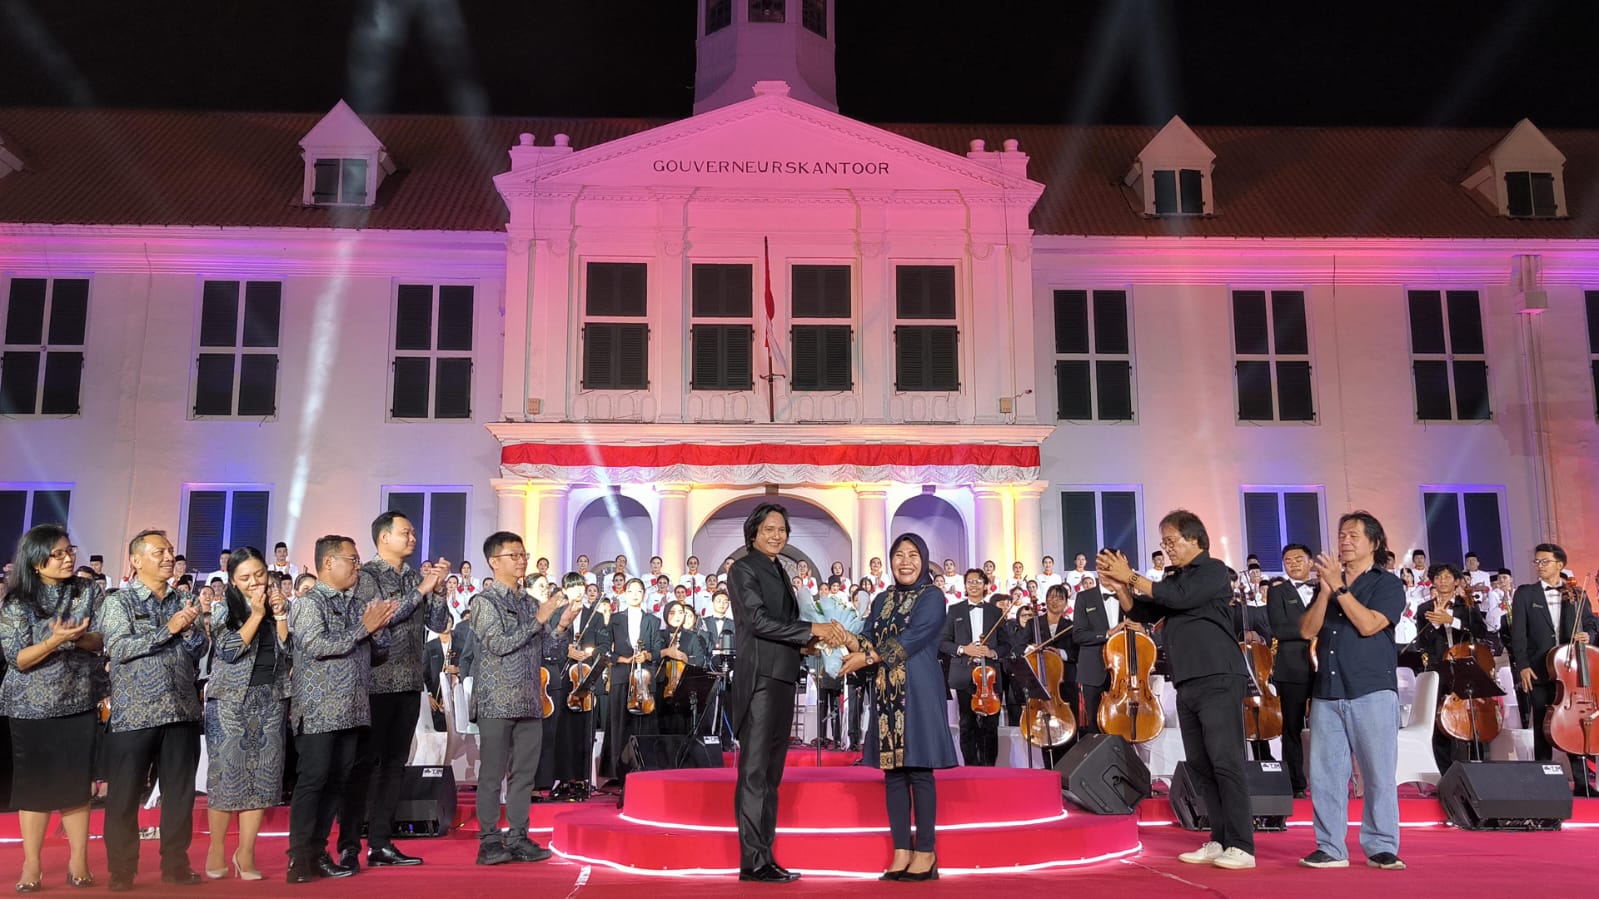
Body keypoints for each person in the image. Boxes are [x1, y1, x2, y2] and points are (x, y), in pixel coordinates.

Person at [1097, 512, 1255, 871]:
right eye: (1163, 543)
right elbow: (1145, 611)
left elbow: (1179, 597)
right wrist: (1121, 587)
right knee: (1200, 764)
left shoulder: (1213, 571)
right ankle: (1219, 838)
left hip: (1218, 676)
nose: (1166, 549)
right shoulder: (1174, 578)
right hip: (1187, 680)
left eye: (1171, 541)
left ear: (1195, 539)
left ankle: (1243, 845)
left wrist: (1132, 576)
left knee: (1226, 761)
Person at [726, 503, 849, 883]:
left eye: (782, 530)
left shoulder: (779, 569)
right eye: (769, 529)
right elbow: (759, 621)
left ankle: (766, 854)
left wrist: (807, 645)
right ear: (753, 533)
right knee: (754, 772)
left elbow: (786, 624)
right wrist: (813, 632)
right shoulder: (744, 569)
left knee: (772, 775)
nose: (777, 535)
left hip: (782, 677)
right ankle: (753, 861)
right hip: (761, 677)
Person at [838, 533, 956, 881]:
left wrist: (868, 656)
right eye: (899, 555)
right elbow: (869, 637)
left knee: (919, 770)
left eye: (913, 554)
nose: (905, 561)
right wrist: (843, 638)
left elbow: (912, 638)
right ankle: (902, 850)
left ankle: (926, 851)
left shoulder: (932, 596)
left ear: (924, 559)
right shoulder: (882, 599)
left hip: (918, 689)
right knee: (893, 774)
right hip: (887, 693)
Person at [337, 512, 450, 871]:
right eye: (405, 532)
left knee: (394, 767)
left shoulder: (416, 577)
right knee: (363, 766)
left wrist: (439, 590)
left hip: (408, 682)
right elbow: (383, 616)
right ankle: (349, 844)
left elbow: (437, 623)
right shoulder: (367, 576)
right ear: (383, 538)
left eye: (413, 532)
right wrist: (421, 591)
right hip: (375, 681)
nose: (412, 537)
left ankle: (382, 843)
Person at [1295, 511, 1406, 871]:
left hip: (1371, 688)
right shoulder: (1328, 583)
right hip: (1328, 688)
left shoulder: (1387, 584)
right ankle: (1329, 846)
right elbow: (1307, 631)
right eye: (1342, 535)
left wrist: (1339, 590)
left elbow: (1370, 624)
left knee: (1377, 773)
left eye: (1354, 536)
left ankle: (1381, 846)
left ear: (1374, 543)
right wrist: (1326, 593)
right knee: (1326, 774)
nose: (1344, 541)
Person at [101, 528, 209, 891]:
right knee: (124, 795)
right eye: (159, 552)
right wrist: (169, 629)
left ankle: (176, 864)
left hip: (181, 710)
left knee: (179, 795)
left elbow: (198, 649)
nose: (168, 557)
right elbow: (119, 648)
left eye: (170, 551)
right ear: (136, 560)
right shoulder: (120, 602)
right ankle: (121, 869)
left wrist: (192, 630)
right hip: (135, 713)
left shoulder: (183, 597)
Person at [286, 536, 397, 884]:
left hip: (352, 708)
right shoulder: (308, 603)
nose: (357, 566)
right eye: (352, 559)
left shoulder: (357, 603)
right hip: (319, 709)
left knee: (337, 783)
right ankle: (299, 858)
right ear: (329, 563)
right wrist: (364, 628)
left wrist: (378, 631)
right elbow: (316, 645)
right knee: (314, 781)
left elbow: (378, 654)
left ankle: (320, 853)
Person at [1, 525, 105, 891]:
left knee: (76, 784)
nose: (67, 558)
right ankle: (32, 865)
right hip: (29, 706)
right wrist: (55, 640)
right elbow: (18, 658)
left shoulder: (86, 591)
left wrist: (79, 638)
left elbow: (100, 639)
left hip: (77, 699)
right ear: (35, 561)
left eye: (69, 550)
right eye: (58, 554)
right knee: (35, 787)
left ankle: (79, 860)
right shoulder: (17, 603)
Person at [470, 533, 569, 865]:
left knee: (524, 774)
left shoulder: (529, 603)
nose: (522, 560)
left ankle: (518, 836)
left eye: (523, 554)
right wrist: (540, 620)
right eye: (514, 555)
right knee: (492, 773)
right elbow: (498, 644)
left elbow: (547, 652)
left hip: (529, 699)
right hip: (497, 699)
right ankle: (488, 840)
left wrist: (560, 628)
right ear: (494, 562)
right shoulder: (484, 602)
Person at [204, 546, 290, 880]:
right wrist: (256, 614)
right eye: (245, 577)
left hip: (270, 700)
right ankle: (216, 849)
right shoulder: (224, 606)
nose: (255, 582)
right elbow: (228, 651)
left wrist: (280, 616)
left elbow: (290, 650)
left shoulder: (280, 603)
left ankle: (246, 851)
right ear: (232, 580)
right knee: (227, 776)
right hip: (230, 702)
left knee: (264, 778)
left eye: (260, 574)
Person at [1511, 542, 1599, 787]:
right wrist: (1523, 666)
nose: (1540, 566)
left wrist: (1587, 636)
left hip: (1571, 670)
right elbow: (1518, 634)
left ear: (1560, 565)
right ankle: (1544, 780)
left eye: (1545, 561)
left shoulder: (1576, 594)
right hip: (1539, 667)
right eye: (1537, 562)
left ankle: (1582, 781)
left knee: (1574, 722)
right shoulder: (1525, 594)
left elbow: (1591, 624)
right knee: (1541, 721)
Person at [1415, 563, 1490, 773]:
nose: (1442, 581)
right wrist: (1437, 624)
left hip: (1466, 665)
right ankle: (1445, 772)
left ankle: (1478, 766)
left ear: (1456, 581)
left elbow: (1480, 632)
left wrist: (1452, 621)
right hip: (1439, 667)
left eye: (1447, 577)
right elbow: (1423, 643)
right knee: (1440, 718)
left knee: (1473, 716)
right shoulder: (1424, 609)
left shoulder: (1466, 606)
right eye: (1438, 577)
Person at [939, 568, 1007, 766]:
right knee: (967, 723)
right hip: (964, 674)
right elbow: (943, 642)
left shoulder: (996, 612)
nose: (974, 585)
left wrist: (992, 652)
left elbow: (1006, 644)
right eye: (970, 581)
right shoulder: (955, 610)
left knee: (990, 724)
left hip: (991, 674)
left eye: (978, 581)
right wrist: (963, 649)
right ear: (965, 585)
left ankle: (988, 768)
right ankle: (970, 767)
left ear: (985, 585)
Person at [1264, 544, 1316, 797]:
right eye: (1287, 560)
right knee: (1292, 728)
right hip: (1292, 667)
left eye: (1298, 559)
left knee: (1329, 728)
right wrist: (1310, 632)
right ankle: (1295, 784)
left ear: (1311, 562)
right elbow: (1279, 629)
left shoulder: (1324, 590)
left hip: (1325, 667)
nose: (1293, 564)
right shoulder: (1278, 592)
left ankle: (1329, 780)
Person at [552, 574, 609, 801]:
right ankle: (563, 778)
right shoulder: (556, 614)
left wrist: (588, 652)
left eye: (580, 586)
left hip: (584, 676)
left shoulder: (593, 616)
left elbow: (604, 644)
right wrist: (566, 650)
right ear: (565, 589)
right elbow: (549, 641)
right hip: (563, 677)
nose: (577, 590)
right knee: (563, 729)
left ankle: (581, 779)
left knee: (583, 729)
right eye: (572, 586)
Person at [1072, 572, 1126, 736]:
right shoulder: (1084, 597)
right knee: (1094, 724)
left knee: (1124, 721)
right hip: (1093, 669)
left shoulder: (1127, 596)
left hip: (1124, 670)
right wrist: (1108, 633)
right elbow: (1078, 635)